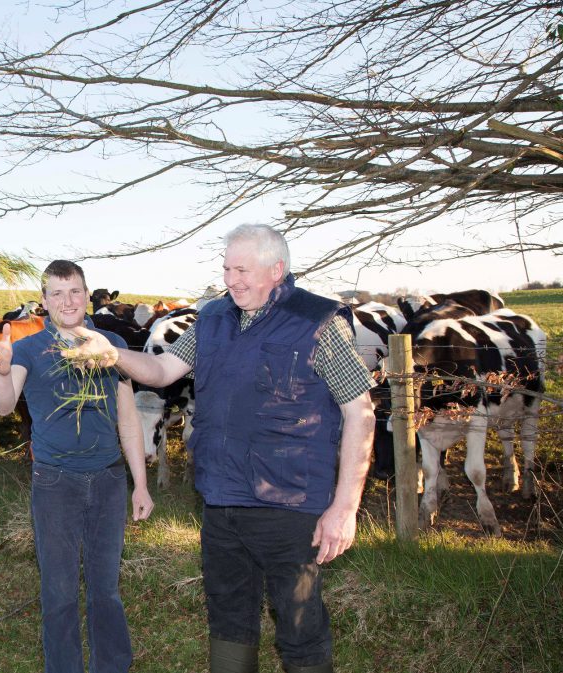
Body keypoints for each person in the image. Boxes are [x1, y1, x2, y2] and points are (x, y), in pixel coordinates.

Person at [62, 225, 376, 673]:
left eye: (242, 270)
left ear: (277, 270)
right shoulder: (212, 320)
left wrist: (344, 507)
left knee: (299, 623)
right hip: (221, 498)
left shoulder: (319, 322)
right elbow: (160, 369)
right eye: (227, 268)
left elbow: (359, 414)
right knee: (228, 617)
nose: (231, 279)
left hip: (290, 504)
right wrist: (112, 353)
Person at [0, 259, 154, 673]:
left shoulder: (110, 342)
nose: (67, 300)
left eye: (74, 290)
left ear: (86, 294)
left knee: (105, 588)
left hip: (110, 479)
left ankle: (111, 666)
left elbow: (127, 419)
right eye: (56, 293)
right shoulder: (27, 349)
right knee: (58, 591)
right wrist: (2, 371)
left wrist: (140, 484)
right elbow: (3, 405)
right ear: (44, 301)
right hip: (55, 482)